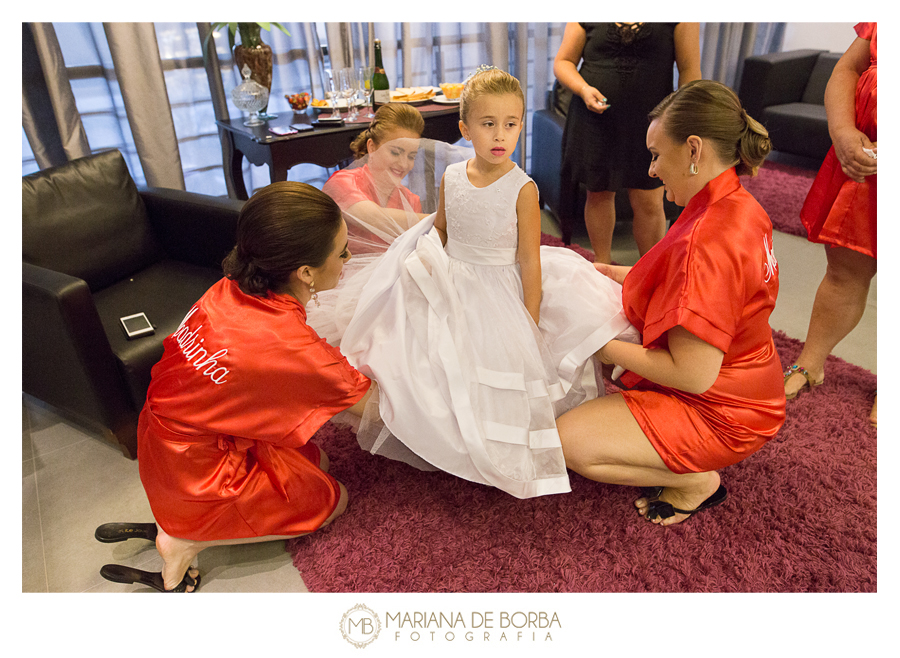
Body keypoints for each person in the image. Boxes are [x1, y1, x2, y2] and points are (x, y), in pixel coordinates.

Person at [326, 67, 638, 499]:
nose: (500, 135)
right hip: (455, 276)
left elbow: (529, 259)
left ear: (521, 125)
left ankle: (491, 439)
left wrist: (528, 317)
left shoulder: (522, 188)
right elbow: (442, 229)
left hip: (500, 287)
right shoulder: (452, 177)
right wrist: (429, 263)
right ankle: (441, 435)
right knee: (432, 358)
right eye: (488, 124)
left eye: (511, 124)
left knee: (495, 368)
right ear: (465, 128)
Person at [94, 182, 372, 592]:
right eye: (343, 251)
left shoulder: (230, 288)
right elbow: (372, 404)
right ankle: (184, 538)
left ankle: (178, 517)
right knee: (334, 501)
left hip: (164, 444)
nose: (349, 260)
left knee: (319, 462)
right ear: (306, 272)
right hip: (196, 471)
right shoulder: (288, 344)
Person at [557, 79, 785, 526]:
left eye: (657, 155)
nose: (652, 169)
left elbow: (694, 375)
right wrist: (611, 274)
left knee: (567, 442)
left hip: (721, 407)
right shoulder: (734, 204)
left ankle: (697, 481)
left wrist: (597, 346)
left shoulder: (707, 241)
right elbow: (684, 284)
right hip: (750, 383)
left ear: (694, 149)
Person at [783, 22, 877, 426]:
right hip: (867, 159)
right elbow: (846, 70)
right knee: (844, 271)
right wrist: (842, 131)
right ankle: (810, 364)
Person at [554, 22, 701, 263]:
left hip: (652, 124)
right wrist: (583, 89)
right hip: (595, 119)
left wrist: (683, 117)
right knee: (598, 193)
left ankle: (650, 271)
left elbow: (689, 71)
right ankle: (602, 266)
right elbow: (563, 62)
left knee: (650, 200)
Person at [323, 103, 430, 252]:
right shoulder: (342, 183)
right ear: (371, 147)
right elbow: (375, 218)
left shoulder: (411, 200)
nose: (404, 164)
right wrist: (440, 219)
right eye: (395, 152)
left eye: (411, 156)